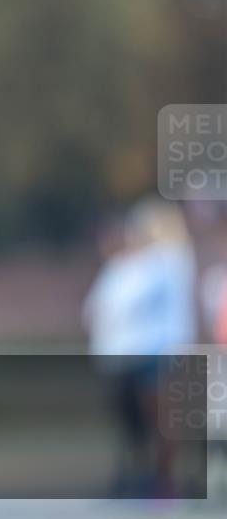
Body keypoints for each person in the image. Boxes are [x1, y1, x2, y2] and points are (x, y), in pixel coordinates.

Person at [82, 197, 197, 497]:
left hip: (156, 354)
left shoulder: (167, 261)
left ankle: (163, 481)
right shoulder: (121, 269)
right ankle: (137, 476)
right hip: (122, 359)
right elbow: (95, 311)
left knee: (159, 420)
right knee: (132, 423)